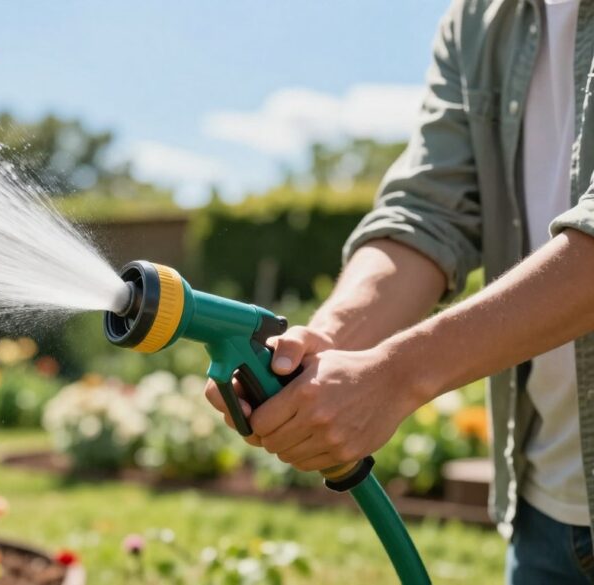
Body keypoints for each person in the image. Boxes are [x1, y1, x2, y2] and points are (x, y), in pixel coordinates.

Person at [204, 0, 594, 582]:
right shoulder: (480, 19)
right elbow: (427, 215)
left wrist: (395, 375)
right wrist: (326, 344)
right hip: (549, 510)